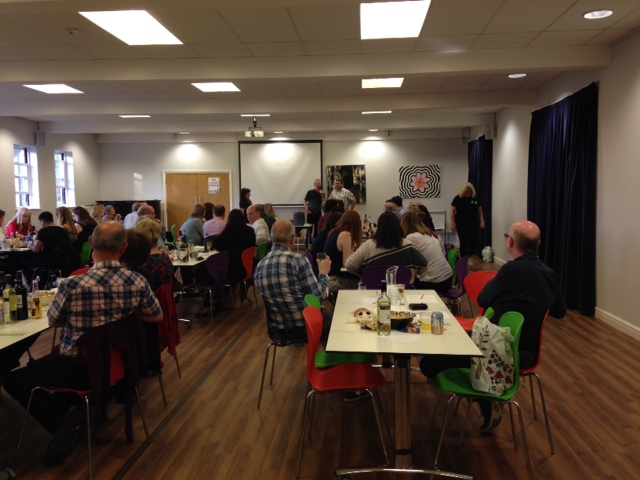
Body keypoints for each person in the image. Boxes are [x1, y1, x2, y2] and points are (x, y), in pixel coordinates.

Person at [4, 221, 163, 466]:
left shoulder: (72, 284)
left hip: (77, 370)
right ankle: (75, 413)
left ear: (90, 243)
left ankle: (63, 424)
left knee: (14, 379)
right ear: (123, 248)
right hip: (120, 365)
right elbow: (156, 316)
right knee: (49, 363)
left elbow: (53, 321)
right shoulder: (138, 282)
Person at [420, 220, 567, 433]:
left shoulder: (511, 270)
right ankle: (485, 392)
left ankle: (485, 396)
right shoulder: (548, 273)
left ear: (511, 242)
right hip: (526, 352)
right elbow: (559, 311)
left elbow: (483, 298)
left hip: (496, 350)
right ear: (539, 244)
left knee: (429, 363)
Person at [255, 220, 332, 344]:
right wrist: (324, 273)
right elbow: (320, 298)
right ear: (292, 239)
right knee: (336, 318)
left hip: (278, 332)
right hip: (305, 326)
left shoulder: (259, 266)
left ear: (271, 237)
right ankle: (329, 354)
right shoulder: (298, 260)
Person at [345, 211, 427, 284]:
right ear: (398, 226)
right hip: (401, 292)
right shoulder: (408, 245)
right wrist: (412, 273)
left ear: (379, 227)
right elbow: (424, 266)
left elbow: (349, 265)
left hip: (371, 292)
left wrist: (364, 274)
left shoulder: (368, 245)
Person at [402, 212, 452, 293]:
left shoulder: (411, 238)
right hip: (448, 279)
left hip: (435, 283)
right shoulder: (428, 235)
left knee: (407, 283)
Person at [22, 211, 76, 285]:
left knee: (25, 262)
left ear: (43, 221)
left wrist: (30, 246)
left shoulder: (43, 231)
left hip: (49, 261)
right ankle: (42, 281)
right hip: (63, 260)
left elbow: (36, 250)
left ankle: (32, 284)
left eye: (40, 222)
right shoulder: (63, 231)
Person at [213, 209, 256, 288]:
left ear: (230, 219)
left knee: (202, 270)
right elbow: (253, 246)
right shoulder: (250, 230)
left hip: (231, 267)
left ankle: (215, 293)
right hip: (247, 267)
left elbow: (217, 245)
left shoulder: (230, 229)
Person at [323, 210, 362, 292]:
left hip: (327, 277)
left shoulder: (335, 232)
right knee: (363, 283)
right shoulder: (346, 235)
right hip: (333, 280)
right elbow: (347, 264)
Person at [451, 182, 485, 257]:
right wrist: (453, 224)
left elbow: (480, 210)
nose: (468, 193)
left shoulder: (475, 198)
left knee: (474, 241)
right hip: (461, 224)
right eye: (466, 191)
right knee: (464, 241)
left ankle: (470, 255)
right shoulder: (458, 198)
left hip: (473, 223)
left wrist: (482, 221)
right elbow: (452, 212)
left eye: (469, 191)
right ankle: (463, 258)